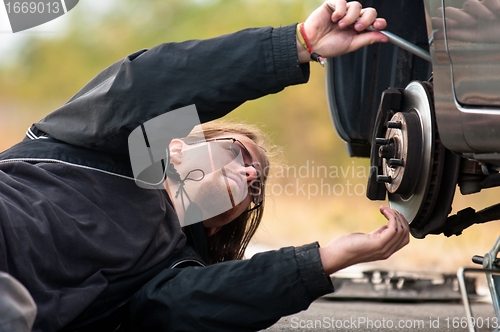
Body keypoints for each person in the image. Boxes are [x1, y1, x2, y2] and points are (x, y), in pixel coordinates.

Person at [0, 1, 409, 331]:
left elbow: (203, 304)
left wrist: (325, 259)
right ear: (180, 145)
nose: (251, 175)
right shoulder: (86, 143)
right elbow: (147, 86)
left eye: (255, 188)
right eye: (238, 153)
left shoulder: (172, 271)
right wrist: (296, 44)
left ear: (216, 226)